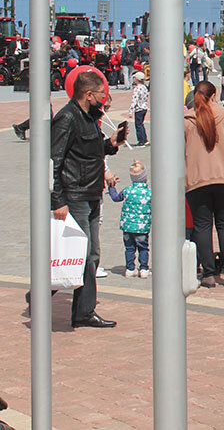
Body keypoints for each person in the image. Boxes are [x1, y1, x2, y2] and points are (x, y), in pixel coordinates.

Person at [51, 70, 124, 328]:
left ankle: (83, 310)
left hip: (92, 192)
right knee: (78, 254)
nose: (104, 101)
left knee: (90, 254)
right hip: (75, 194)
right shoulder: (67, 118)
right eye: (102, 95)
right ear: (88, 94)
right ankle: (73, 306)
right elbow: (55, 160)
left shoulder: (89, 117)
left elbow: (92, 151)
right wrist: (58, 199)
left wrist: (112, 143)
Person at [185, 81, 224, 288]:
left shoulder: (186, 120)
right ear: (213, 96)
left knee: (202, 226)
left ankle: (208, 274)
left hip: (197, 179)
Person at [108, 160, 152, 278]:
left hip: (127, 226)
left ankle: (130, 269)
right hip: (142, 226)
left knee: (129, 248)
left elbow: (116, 198)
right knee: (143, 248)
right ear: (145, 177)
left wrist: (112, 187)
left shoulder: (127, 191)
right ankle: (143, 269)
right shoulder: (149, 193)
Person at [129, 70, 149, 146]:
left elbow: (134, 100)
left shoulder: (137, 88)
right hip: (144, 107)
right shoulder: (144, 87)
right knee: (141, 124)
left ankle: (141, 141)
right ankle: (145, 139)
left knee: (138, 125)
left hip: (139, 108)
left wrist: (131, 111)